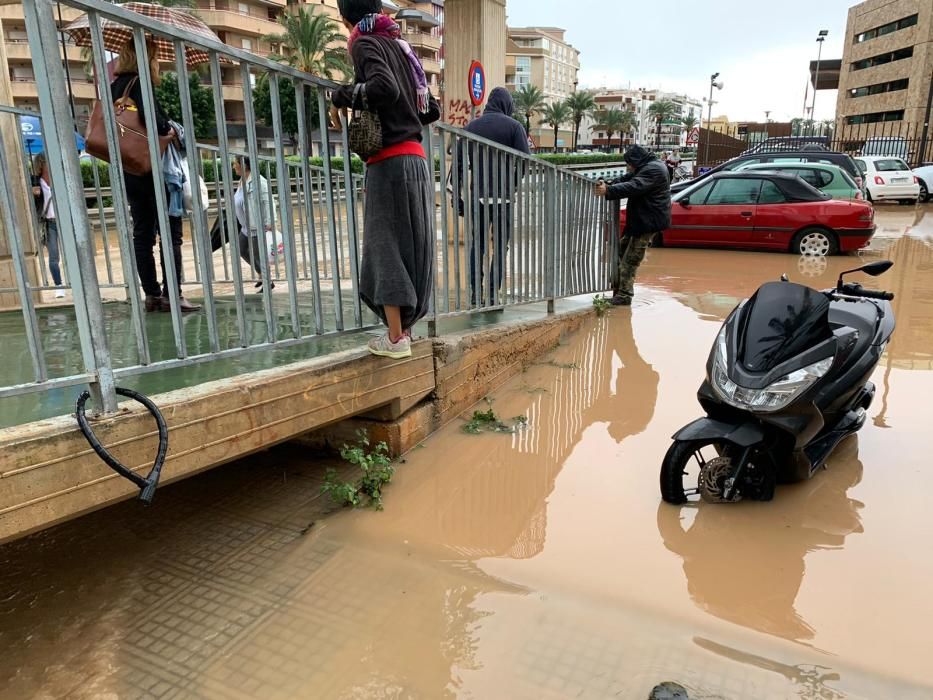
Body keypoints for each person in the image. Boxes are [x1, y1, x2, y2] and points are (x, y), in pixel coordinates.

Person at [331, 0, 440, 360]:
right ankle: (404, 330)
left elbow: (384, 88)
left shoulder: (364, 43)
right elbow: (431, 109)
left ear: (347, 18)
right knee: (413, 243)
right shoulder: (401, 45)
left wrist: (342, 96)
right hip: (417, 160)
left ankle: (395, 337)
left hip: (389, 161)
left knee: (384, 243)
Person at [111, 38, 199, 313]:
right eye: (155, 56)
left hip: (131, 169)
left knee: (142, 234)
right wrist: (172, 130)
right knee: (170, 235)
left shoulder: (115, 86)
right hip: (155, 171)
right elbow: (158, 124)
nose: (158, 62)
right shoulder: (140, 85)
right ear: (147, 58)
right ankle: (173, 294)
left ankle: (151, 295)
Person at [461, 87, 530, 306]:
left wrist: (463, 195)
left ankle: (474, 294)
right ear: (507, 104)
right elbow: (525, 161)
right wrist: (514, 183)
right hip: (505, 197)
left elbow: (461, 163)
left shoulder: (472, 126)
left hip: (478, 196)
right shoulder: (514, 127)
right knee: (500, 247)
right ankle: (492, 294)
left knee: (477, 245)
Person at [593, 144, 671, 306]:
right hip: (640, 221)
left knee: (631, 259)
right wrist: (610, 183)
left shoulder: (653, 170)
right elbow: (627, 179)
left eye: (629, 163)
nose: (628, 166)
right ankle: (618, 289)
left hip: (647, 223)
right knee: (620, 251)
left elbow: (634, 186)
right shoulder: (647, 166)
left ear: (636, 160)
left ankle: (624, 296)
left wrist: (608, 191)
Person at [232, 156, 276, 292]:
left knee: (260, 255)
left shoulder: (258, 182)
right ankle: (262, 275)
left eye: (235, 164)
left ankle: (268, 282)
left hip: (257, 226)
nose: (233, 167)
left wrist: (270, 222)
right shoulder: (242, 181)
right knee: (241, 250)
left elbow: (269, 201)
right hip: (246, 227)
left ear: (244, 166)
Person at [31, 154, 65, 299]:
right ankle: (59, 286)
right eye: (46, 162)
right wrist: (34, 194)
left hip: (65, 222)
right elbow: (33, 205)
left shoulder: (59, 177)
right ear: (41, 164)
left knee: (74, 253)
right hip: (49, 223)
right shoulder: (35, 182)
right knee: (53, 257)